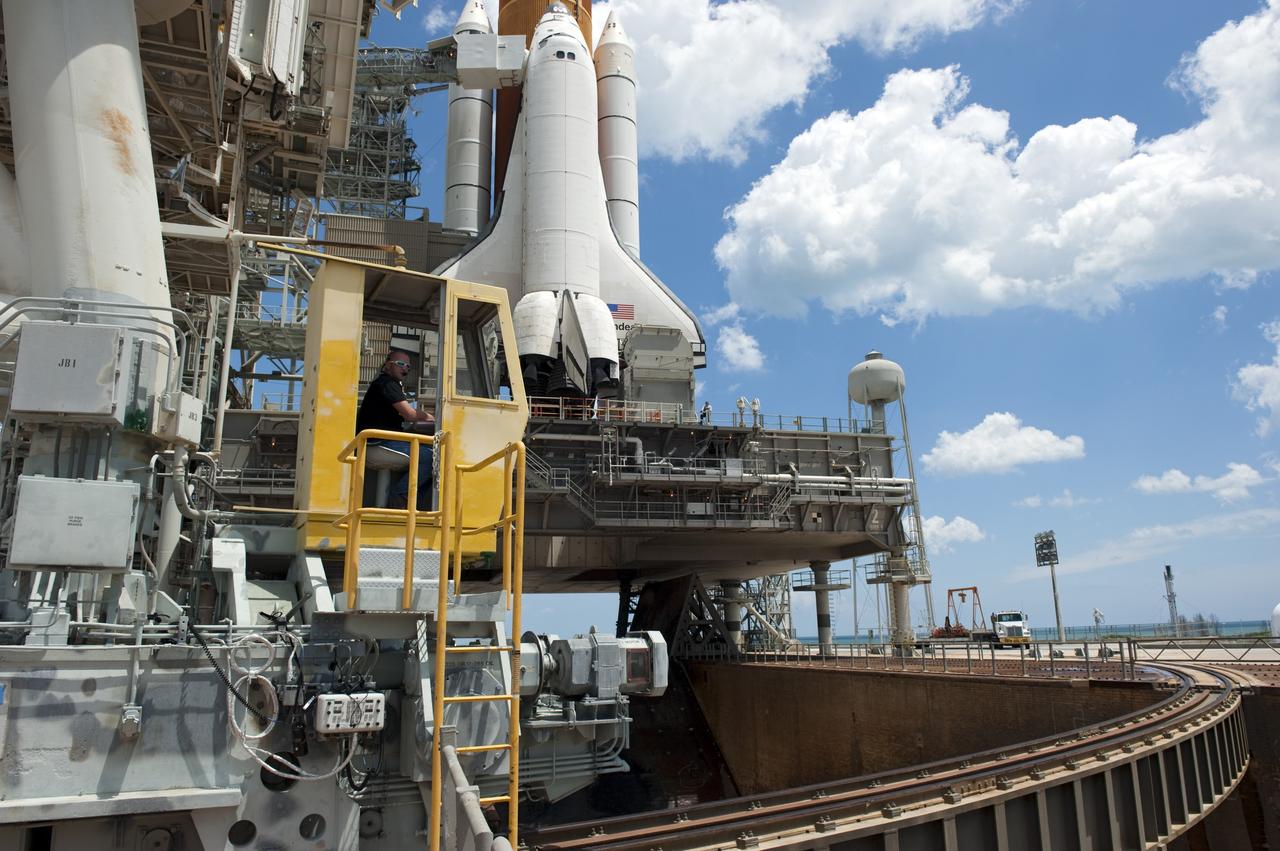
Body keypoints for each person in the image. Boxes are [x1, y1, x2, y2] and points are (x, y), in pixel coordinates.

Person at [356, 350, 435, 509]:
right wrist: (434, 418)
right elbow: (410, 414)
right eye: (400, 364)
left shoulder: (387, 384)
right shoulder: (386, 383)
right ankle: (400, 498)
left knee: (433, 454)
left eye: (408, 366)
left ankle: (416, 502)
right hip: (375, 443)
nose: (405, 368)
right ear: (387, 365)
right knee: (432, 457)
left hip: (376, 442)